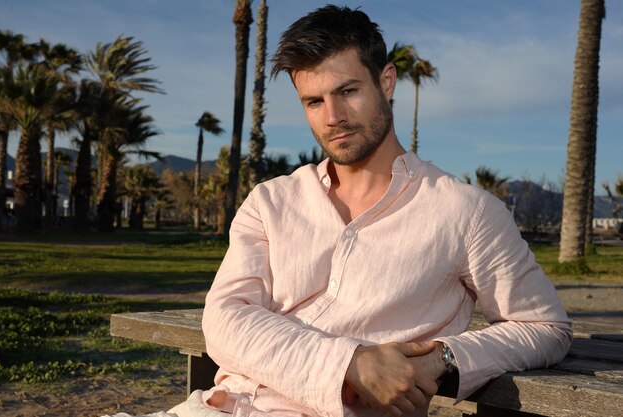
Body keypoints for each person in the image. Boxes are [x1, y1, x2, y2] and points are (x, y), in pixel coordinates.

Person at [104, 5, 571, 417]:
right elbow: (224, 319)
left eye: (347, 91)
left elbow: (544, 327)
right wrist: (350, 362)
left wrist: (443, 358)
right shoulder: (271, 201)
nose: (332, 117)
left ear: (386, 81)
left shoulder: (465, 212)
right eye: (313, 101)